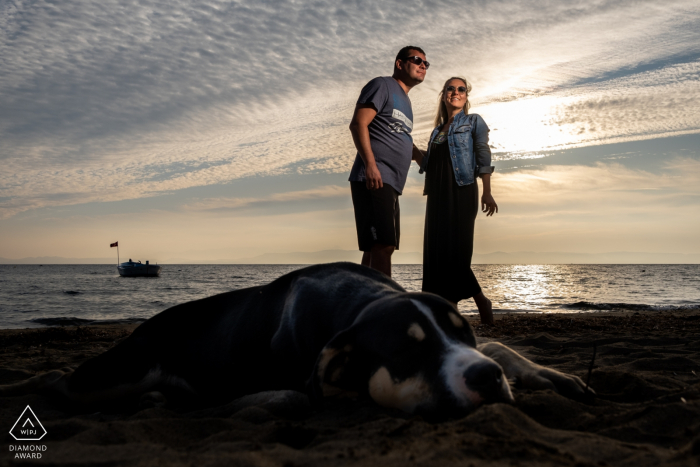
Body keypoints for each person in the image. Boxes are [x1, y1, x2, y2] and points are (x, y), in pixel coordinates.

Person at [417, 77, 498, 325]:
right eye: (451, 88)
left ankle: (481, 301)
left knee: (458, 252)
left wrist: (486, 190)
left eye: (461, 89)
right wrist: (412, 152)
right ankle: (448, 308)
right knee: (437, 253)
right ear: (444, 95)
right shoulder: (436, 131)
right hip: (437, 194)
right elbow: (429, 165)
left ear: (466, 96)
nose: (456, 92)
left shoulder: (474, 122)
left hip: (462, 190)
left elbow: (483, 153)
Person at [348, 46, 428, 277]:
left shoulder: (406, 101)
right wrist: (371, 166)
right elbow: (358, 124)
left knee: (377, 247)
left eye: (426, 63)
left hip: (392, 183)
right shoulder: (382, 85)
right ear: (399, 64)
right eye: (417, 60)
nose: (423, 65)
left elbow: (400, 140)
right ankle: (384, 307)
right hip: (374, 177)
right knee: (383, 245)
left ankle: (360, 300)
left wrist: (423, 156)